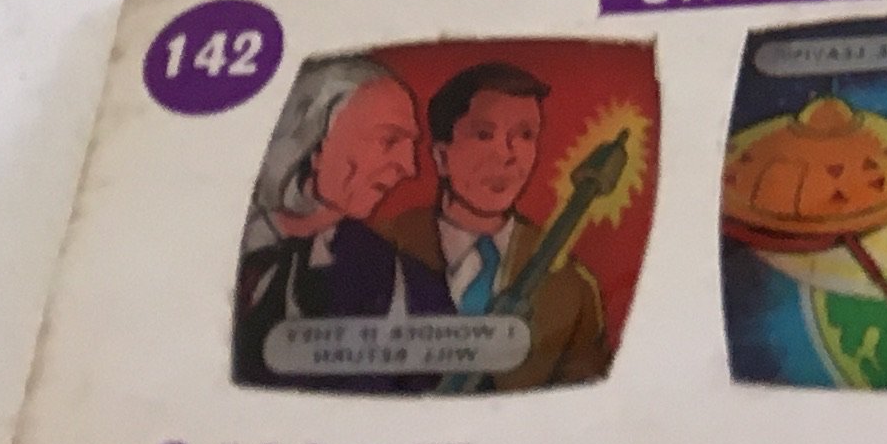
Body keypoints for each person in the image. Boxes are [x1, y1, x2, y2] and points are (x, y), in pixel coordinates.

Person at [369, 62, 614, 388]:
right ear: (441, 156)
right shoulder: (376, 251)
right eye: (484, 135)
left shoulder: (571, 288)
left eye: (525, 135)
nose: (507, 155)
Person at [233, 60, 445, 385]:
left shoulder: (408, 288)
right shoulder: (199, 236)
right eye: (389, 140)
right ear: (313, 138)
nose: (409, 167)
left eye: (410, 146)